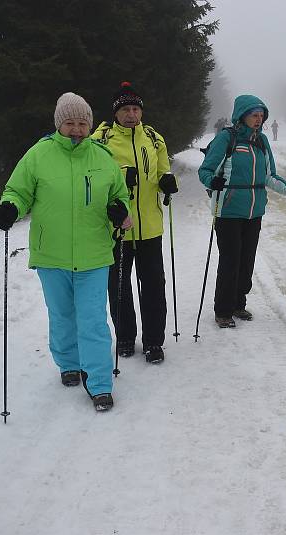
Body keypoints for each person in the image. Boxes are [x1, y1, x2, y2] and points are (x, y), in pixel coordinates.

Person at [0, 92, 130, 412]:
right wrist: (10, 208)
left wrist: (119, 209)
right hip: (51, 254)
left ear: (90, 124)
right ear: (59, 124)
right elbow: (18, 190)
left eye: (83, 123)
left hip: (95, 253)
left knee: (93, 319)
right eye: (69, 123)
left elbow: (119, 195)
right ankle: (69, 363)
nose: (77, 129)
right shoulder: (38, 154)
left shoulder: (102, 156)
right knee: (62, 314)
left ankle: (98, 382)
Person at [198, 95, 286, 328]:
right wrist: (213, 182)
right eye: (254, 115)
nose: (258, 120)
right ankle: (223, 310)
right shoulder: (226, 138)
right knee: (230, 260)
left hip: (254, 211)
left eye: (261, 116)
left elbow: (269, 175)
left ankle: (239, 303)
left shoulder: (262, 141)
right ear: (242, 115)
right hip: (228, 210)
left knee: (247, 260)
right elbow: (206, 170)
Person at [92, 82, 178, 364]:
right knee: (119, 286)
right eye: (125, 109)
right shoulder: (100, 140)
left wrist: (166, 180)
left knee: (153, 285)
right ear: (116, 112)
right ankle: (126, 337)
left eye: (135, 108)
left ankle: (154, 342)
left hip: (150, 226)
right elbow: (91, 178)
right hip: (117, 227)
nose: (131, 114)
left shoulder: (154, 138)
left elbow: (163, 168)